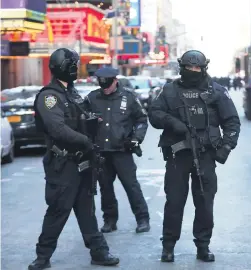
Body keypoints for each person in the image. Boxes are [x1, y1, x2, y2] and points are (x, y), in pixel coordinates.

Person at [30, 48, 119, 270]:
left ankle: (99, 252)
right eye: (74, 65)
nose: (76, 69)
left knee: (86, 210)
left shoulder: (73, 93)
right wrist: (86, 142)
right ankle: (42, 256)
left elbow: (83, 118)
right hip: (63, 164)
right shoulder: (49, 96)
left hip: (83, 162)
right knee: (58, 210)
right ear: (64, 67)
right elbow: (57, 129)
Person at [148, 50, 241, 263]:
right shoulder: (170, 91)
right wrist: (173, 123)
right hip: (177, 156)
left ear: (203, 68)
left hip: (206, 154)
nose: (193, 71)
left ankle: (203, 246)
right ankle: (168, 246)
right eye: (189, 68)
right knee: (174, 201)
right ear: (182, 68)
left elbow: (232, 122)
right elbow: (154, 114)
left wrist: (226, 146)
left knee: (205, 202)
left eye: (197, 68)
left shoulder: (216, 91)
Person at [84, 67, 150, 234]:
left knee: (131, 186)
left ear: (115, 81)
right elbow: (82, 121)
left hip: (122, 150)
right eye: (102, 85)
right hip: (101, 152)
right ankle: (110, 220)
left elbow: (141, 119)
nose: (105, 89)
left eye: (108, 85)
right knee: (105, 188)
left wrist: (136, 138)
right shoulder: (92, 98)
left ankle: (142, 219)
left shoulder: (128, 97)